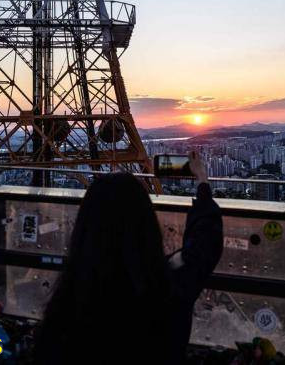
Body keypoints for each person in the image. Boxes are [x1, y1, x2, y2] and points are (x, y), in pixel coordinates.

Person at [34, 151, 223, 364]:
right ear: (147, 225)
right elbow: (204, 243)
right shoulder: (165, 289)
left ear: (84, 228)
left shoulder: (67, 303)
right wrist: (202, 182)